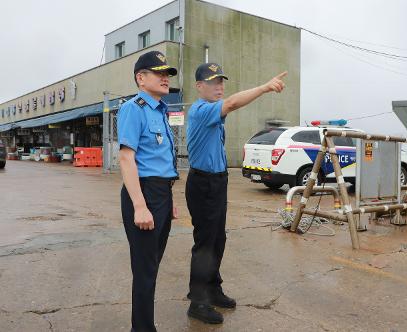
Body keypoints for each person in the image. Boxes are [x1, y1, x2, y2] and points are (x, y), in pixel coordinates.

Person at [185, 62, 287, 324]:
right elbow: (231, 103)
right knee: (205, 243)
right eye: (212, 82)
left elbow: (226, 106)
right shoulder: (200, 110)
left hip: (217, 182)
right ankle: (197, 301)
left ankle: (212, 288)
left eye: (221, 81)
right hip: (203, 183)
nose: (219, 86)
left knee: (218, 239)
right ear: (199, 87)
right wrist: (264, 87)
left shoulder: (213, 114)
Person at [118, 50, 178, 331]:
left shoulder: (161, 110)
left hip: (161, 193)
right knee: (144, 270)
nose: (165, 78)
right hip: (143, 193)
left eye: (167, 73)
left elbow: (163, 161)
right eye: (159, 73)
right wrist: (140, 206)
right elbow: (126, 158)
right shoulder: (135, 108)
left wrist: (170, 200)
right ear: (141, 78)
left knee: (151, 266)